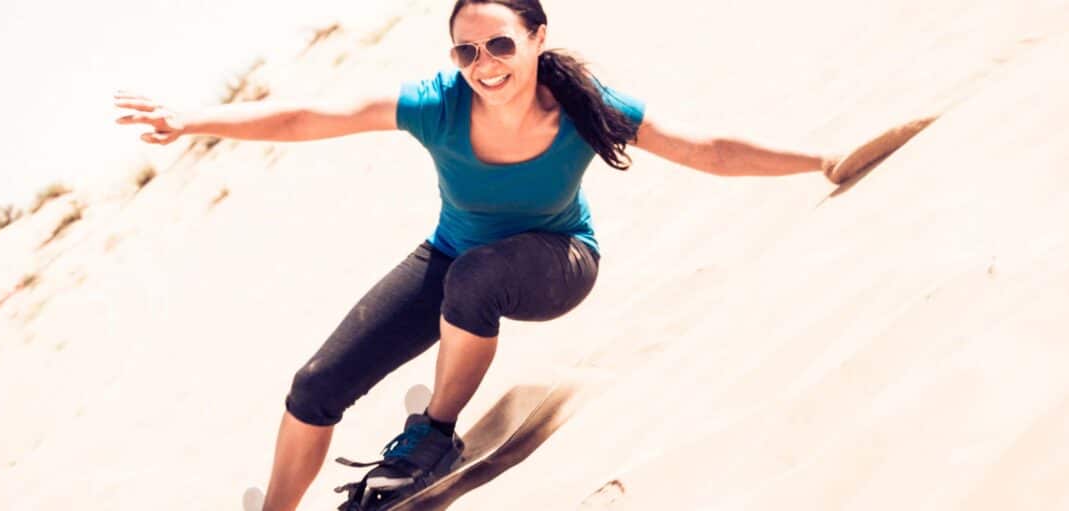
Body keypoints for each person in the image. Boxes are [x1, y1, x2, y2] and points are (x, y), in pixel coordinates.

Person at [114, 1, 853, 508]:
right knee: (315, 384)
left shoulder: (587, 104)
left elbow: (711, 150)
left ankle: (432, 431)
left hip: (558, 260)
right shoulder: (438, 104)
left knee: (474, 281)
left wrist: (824, 158)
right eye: (466, 49)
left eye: (500, 43)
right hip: (449, 254)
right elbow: (313, 115)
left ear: (536, 37)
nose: (483, 62)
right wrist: (194, 120)